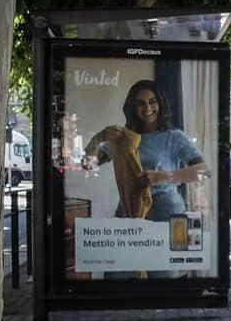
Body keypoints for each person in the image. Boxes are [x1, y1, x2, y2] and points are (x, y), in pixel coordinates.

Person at [86, 79, 205, 220]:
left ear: (160, 104)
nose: (148, 108)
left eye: (152, 101)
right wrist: (98, 138)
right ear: (133, 107)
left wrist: (163, 176)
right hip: (129, 211)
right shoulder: (123, 137)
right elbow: (87, 165)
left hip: (166, 212)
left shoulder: (174, 137)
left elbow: (203, 171)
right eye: (141, 103)